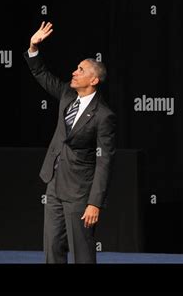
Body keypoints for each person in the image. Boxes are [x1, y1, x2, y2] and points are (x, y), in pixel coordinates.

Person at [23, 21, 116, 264]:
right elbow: (41, 73)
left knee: (83, 254)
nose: (74, 72)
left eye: (81, 70)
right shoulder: (67, 94)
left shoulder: (104, 116)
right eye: (76, 68)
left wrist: (95, 202)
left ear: (94, 80)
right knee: (52, 249)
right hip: (54, 184)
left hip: (79, 193)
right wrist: (34, 47)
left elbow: (104, 161)